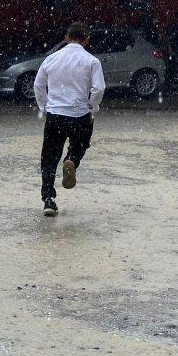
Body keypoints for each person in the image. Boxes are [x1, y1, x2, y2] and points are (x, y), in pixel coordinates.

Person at [33, 22, 106, 217]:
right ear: (86, 40)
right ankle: (72, 160)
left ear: (66, 37)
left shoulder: (51, 59)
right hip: (79, 114)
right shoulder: (91, 61)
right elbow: (99, 88)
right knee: (80, 144)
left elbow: (38, 85)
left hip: (55, 114)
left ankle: (49, 199)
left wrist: (45, 106)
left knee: (49, 157)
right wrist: (92, 106)